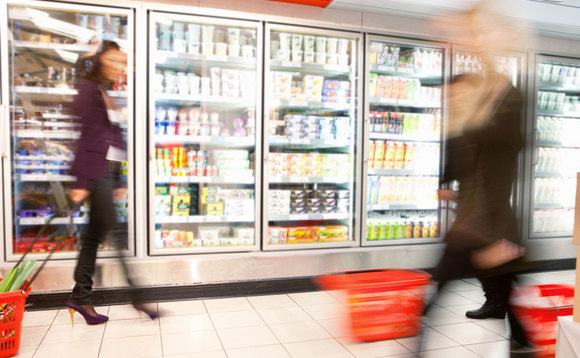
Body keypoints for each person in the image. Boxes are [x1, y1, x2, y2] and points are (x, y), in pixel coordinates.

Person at [427, 71, 532, 355]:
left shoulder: (495, 131)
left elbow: (499, 175)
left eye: (460, 94)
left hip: (493, 228)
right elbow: (465, 173)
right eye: (450, 95)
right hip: (468, 227)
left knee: (504, 290)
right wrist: (448, 187)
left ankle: (522, 341)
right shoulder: (463, 132)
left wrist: (504, 86)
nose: (455, 99)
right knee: (439, 292)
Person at [66, 41, 157, 325]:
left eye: (122, 61)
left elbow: (116, 140)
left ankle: (80, 297)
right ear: (99, 59)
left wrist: (120, 177)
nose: (119, 66)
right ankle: (138, 296)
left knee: (93, 238)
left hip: (106, 173)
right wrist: (80, 180)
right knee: (117, 235)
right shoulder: (87, 90)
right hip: (93, 174)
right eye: (114, 59)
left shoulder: (108, 93)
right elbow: (82, 137)